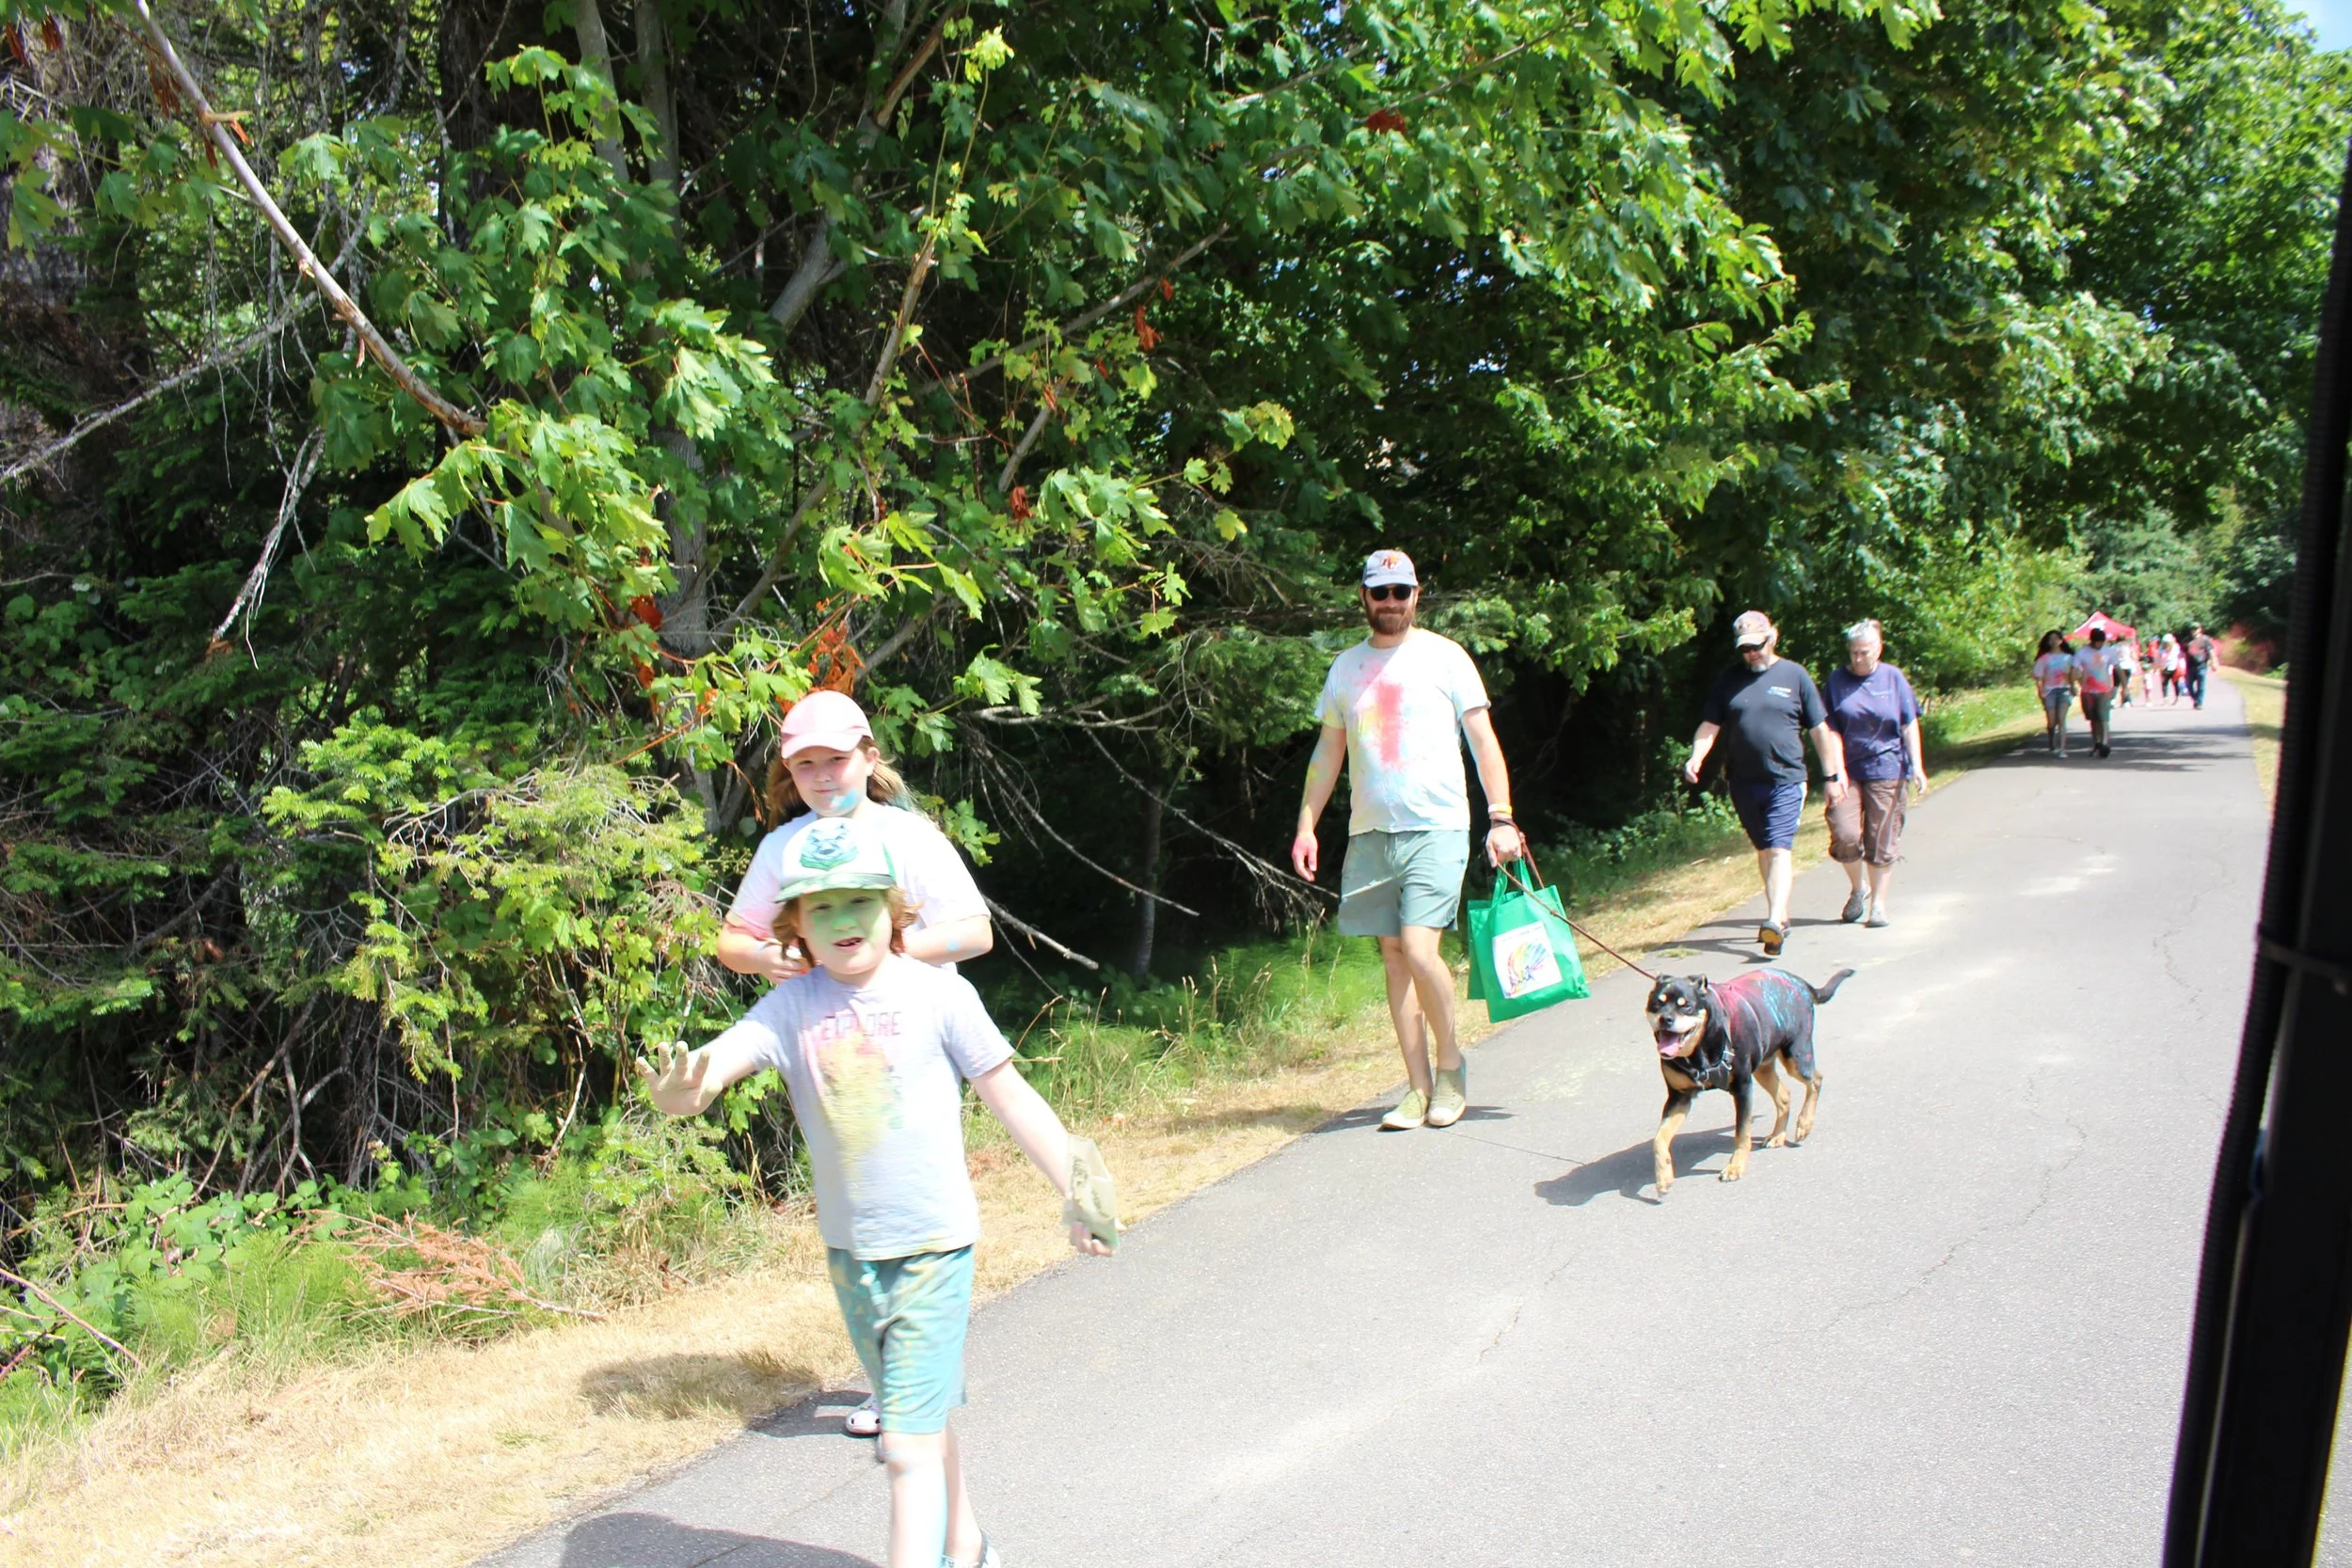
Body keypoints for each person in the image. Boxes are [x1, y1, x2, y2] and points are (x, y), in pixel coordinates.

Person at [637, 817, 1116, 1568]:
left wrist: (1080, 1189)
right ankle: (968, 1545)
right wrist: (677, 1090)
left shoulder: (938, 997)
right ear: (793, 926)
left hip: (934, 1246)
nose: (841, 920)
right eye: (819, 907)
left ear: (894, 909)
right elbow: (709, 1072)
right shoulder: (788, 1009)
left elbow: (1013, 1097)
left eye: (858, 900)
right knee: (915, 1416)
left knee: (904, 1446)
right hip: (851, 1255)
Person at [719, 689, 995, 1440]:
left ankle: (913, 1389)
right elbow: (734, 940)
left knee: (916, 1210)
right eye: (804, 765)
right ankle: (898, 1382)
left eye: (835, 760)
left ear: (868, 758)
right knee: (854, 1212)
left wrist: (890, 952)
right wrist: (778, 956)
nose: (821, 776)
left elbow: (975, 931)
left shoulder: (909, 836)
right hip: (829, 1045)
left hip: (917, 1037)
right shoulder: (784, 848)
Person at [1291, 548, 1525, 1132]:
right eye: (1380, 592)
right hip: (1371, 832)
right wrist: (1305, 825)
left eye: (1401, 592)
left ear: (1417, 595)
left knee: (1422, 951)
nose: (1390, 603)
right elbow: (1328, 753)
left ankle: (1451, 1069)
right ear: (1364, 597)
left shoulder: (1446, 658)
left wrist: (1501, 817)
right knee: (1395, 961)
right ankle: (1416, 1089)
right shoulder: (1345, 667)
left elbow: (1482, 740)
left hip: (1438, 825)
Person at [1682, 610, 1846, 956]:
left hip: (1787, 778)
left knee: (1778, 846)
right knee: (1763, 849)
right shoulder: (1729, 680)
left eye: (1756, 646)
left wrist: (1831, 775)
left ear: (1773, 637)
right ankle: (1780, 913)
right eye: (1745, 649)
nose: (1751, 654)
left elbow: (1819, 730)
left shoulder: (1794, 675)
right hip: (1743, 782)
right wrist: (1696, 756)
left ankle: (1772, 920)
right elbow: (1710, 725)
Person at [1821, 619, 1929, 928]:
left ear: (1878, 649)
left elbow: (1909, 723)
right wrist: (1836, 771)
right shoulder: (1837, 681)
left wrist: (1917, 766)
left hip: (1888, 767)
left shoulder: (1893, 679)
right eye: (1853, 652)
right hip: (1848, 770)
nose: (1857, 659)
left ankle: (1879, 905)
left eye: (1864, 652)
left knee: (1881, 838)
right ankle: (1859, 889)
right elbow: (1829, 728)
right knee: (1845, 834)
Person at [2074, 626, 2121, 759]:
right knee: (2093, 719)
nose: (2100, 644)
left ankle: (2105, 743)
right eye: (2097, 642)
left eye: (2102, 642)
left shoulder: (2109, 652)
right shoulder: (2082, 653)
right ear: (2092, 641)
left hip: (2104, 689)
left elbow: (2117, 668)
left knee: (2103, 717)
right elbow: (2075, 669)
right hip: (2088, 690)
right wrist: (2076, 683)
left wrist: (2121, 686)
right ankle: (2097, 742)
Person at [2034, 630, 2077, 756]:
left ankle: (2062, 749)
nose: (2053, 641)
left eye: (2056, 638)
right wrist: (2040, 692)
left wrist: (2073, 686)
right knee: (2052, 721)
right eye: (2050, 639)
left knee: (2062, 718)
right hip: (2049, 691)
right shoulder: (2043, 658)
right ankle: (2052, 741)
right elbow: (2038, 677)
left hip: (2064, 690)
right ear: (2048, 642)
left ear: (2061, 640)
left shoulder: (2068, 657)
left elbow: (2074, 673)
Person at [2185, 623, 2217, 708]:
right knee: (2188, 686)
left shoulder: (2205, 639)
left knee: (2201, 686)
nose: (2194, 631)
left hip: (2201, 666)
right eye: (2192, 629)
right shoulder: (2187, 640)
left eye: (2196, 629)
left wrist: (2214, 662)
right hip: (2190, 666)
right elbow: (2182, 653)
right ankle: (2195, 699)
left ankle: (2199, 703)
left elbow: (2211, 651)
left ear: (2200, 629)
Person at [2113, 635, 2138, 708]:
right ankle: (2126, 701)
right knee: (2125, 685)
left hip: (2118, 667)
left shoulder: (2114, 647)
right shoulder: (2128, 647)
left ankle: (2112, 701)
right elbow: (2134, 656)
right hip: (2127, 666)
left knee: (2116, 685)